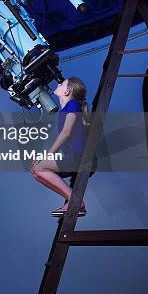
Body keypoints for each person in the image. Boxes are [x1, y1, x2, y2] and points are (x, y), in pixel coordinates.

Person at [31, 76, 94, 217]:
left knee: (39, 166)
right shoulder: (66, 108)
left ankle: (76, 202)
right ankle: (72, 202)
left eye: (62, 84)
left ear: (67, 92)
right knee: (36, 172)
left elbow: (66, 133)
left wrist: (48, 155)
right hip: (73, 158)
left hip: (81, 159)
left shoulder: (73, 104)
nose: (58, 84)